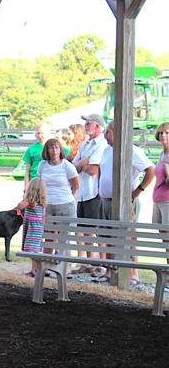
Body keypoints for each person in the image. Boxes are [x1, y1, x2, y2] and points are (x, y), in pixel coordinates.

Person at [97, 122, 155, 285]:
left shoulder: (132, 150)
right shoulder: (107, 150)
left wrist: (137, 191)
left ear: (117, 133)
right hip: (106, 200)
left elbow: (150, 170)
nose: (105, 136)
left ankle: (133, 273)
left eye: (107, 132)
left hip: (124, 203)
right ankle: (109, 270)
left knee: (129, 237)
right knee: (107, 236)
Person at [73, 114, 108, 270]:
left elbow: (93, 169)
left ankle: (102, 262)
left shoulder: (102, 144)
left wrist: (82, 165)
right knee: (84, 229)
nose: (86, 126)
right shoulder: (85, 144)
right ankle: (88, 262)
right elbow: (74, 167)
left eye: (89, 123)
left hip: (95, 192)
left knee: (97, 230)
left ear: (98, 126)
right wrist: (82, 163)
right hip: (82, 192)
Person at [37, 138, 78, 254]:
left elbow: (75, 184)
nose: (54, 151)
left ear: (60, 150)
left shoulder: (67, 166)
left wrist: (73, 196)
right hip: (48, 205)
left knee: (63, 240)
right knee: (48, 238)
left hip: (65, 204)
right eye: (51, 147)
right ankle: (47, 266)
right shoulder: (42, 165)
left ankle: (62, 268)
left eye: (56, 147)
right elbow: (40, 184)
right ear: (47, 150)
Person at [17, 178, 47, 277]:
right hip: (38, 227)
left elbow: (20, 206)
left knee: (32, 249)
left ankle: (37, 268)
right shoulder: (42, 203)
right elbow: (43, 216)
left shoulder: (30, 201)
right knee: (34, 250)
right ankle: (35, 269)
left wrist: (24, 198)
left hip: (32, 228)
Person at [152, 122, 169, 268]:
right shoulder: (162, 154)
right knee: (164, 238)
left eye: (167, 133)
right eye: (162, 133)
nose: (163, 135)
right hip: (157, 199)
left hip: (167, 200)